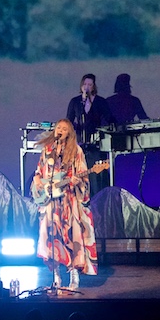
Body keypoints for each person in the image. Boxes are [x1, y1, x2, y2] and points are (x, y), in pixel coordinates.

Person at [30, 118, 98, 290]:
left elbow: (83, 175)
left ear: (69, 133)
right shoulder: (47, 150)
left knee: (70, 237)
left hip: (69, 200)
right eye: (58, 128)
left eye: (64, 129)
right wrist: (38, 179)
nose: (60, 130)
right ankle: (56, 278)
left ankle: (74, 277)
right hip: (50, 201)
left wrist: (76, 181)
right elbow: (39, 171)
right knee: (52, 238)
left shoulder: (76, 151)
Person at [66, 73, 113, 194]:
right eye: (85, 84)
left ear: (93, 87)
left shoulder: (100, 101)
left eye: (90, 84)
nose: (87, 87)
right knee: (80, 172)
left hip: (96, 144)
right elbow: (69, 121)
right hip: (80, 144)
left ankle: (97, 200)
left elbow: (109, 118)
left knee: (96, 175)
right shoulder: (75, 102)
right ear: (81, 86)